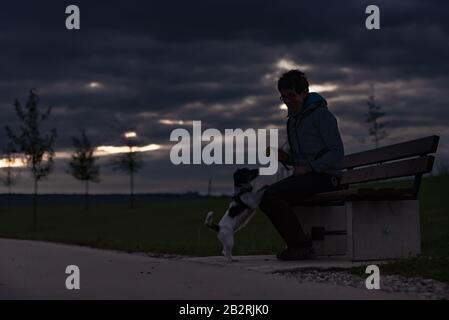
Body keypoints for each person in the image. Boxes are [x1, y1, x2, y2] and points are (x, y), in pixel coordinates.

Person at [259, 69, 344, 260]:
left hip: (327, 177)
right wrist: (286, 158)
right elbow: (300, 160)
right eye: (283, 97)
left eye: (292, 95)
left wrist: (309, 168)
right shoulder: (293, 122)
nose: (287, 101)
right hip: (310, 177)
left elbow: (337, 152)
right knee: (267, 195)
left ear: (304, 93)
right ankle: (298, 245)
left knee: (270, 196)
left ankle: (300, 246)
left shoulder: (322, 116)